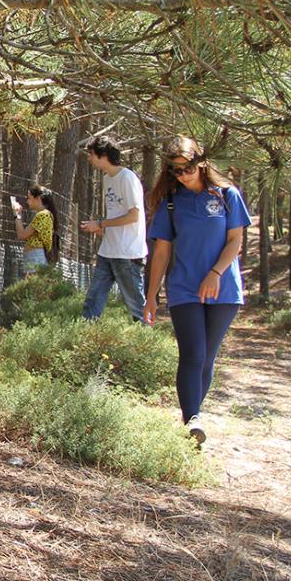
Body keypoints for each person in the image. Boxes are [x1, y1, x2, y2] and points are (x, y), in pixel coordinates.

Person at [144, 135, 251, 447]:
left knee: (207, 357)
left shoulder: (227, 194)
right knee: (192, 353)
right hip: (184, 288)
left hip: (224, 288)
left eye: (187, 167)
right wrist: (151, 295)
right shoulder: (172, 202)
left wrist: (215, 273)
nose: (183, 174)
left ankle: (193, 419)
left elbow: (235, 240)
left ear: (201, 162)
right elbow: (161, 252)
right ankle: (193, 419)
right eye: (175, 170)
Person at [80, 135, 148, 321]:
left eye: (92, 154)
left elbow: (134, 215)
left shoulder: (128, 178)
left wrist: (101, 224)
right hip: (108, 251)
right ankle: (84, 343)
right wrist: (101, 227)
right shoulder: (107, 179)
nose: (89, 159)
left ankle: (146, 344)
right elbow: (116, 214)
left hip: (127, 253)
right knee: (92, 302)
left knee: (136, 307)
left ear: (103, 155)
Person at [11, 184, 58, 270]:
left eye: (29, 197)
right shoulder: (44, 215)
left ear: (38, 198)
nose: (27, 201)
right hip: (35, 257)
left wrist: (17, 214)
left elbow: (22, 235)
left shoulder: (43, 215)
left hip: (36, 257)